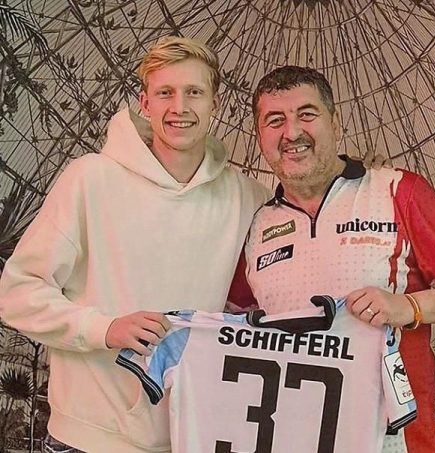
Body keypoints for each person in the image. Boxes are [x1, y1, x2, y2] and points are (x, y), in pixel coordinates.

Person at [0, 37, 270, 452]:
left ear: (215, 104)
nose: (179, 107)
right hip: (87, 438)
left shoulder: (248, 198)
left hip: (188, 437)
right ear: (145, 103)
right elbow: (17, 293)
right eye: (165, 93)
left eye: (194, 92)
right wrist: (104, 329)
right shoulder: (90, 179)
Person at [238, 65, 435, 452]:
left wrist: (408, 307)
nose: (292, 133)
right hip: (293, 439)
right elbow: (230, 325)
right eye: (275, 121)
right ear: (260, 137)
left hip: (394, 442)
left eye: (307, 114)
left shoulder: (397, 190)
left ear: (336, 124)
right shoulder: (256, 224)